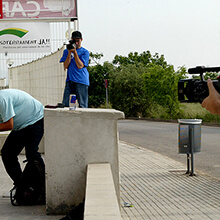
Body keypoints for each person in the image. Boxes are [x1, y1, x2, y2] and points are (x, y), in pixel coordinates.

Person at [0, 89, 45, 187]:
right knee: (7, 154)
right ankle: (22, 187)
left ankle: (43, 187)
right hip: (21, 126)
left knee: (32, 153)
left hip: (35, 119)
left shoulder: (2, 99)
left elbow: (8, 125)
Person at [60, 31, 90, 108]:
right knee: (66, 104)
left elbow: (80, 66)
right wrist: (70, 52)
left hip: (81, 81)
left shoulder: (85, 52)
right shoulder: (66, 51)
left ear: (81, 40)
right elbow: (66, 66)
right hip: (70, 80)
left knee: (82, 105)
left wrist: (75, 53)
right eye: (74, 41)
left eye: (78, 41)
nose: (76, 43)